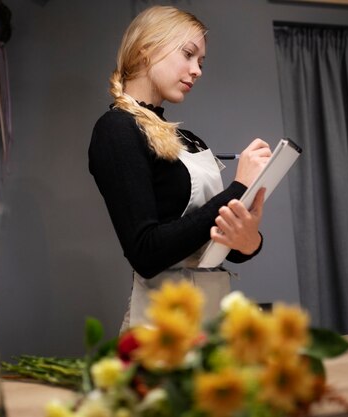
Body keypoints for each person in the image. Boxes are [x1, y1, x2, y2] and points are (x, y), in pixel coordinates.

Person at [88, 5, 271, 331]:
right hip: (162, 331)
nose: (197, 70)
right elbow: (146, 253)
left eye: (200, 62)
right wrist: (237, 189)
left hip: (213, 324)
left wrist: (248, 240)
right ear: (146, 51)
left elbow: (223, 249)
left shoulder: (188, 139)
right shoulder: (116, 130)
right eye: (188, 54)